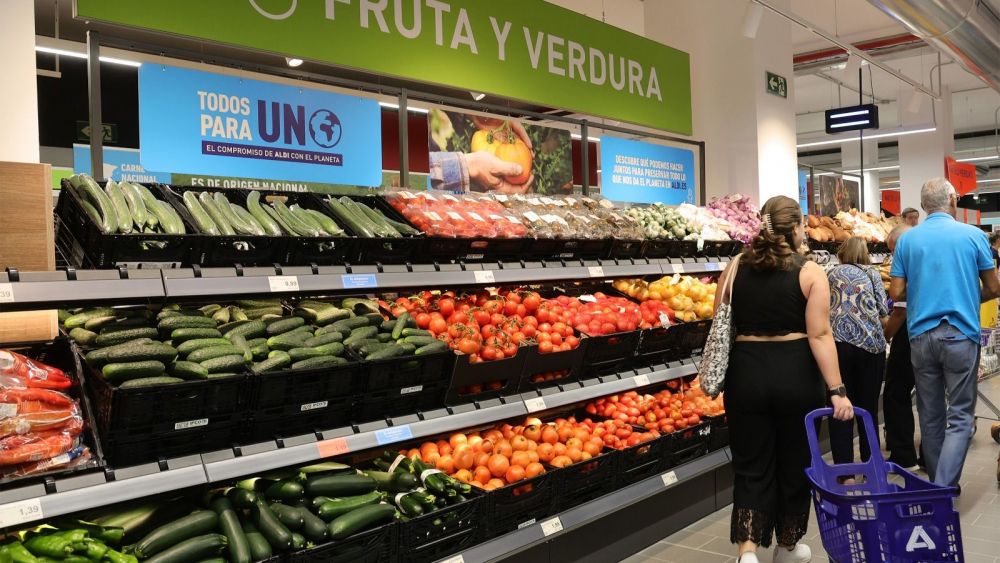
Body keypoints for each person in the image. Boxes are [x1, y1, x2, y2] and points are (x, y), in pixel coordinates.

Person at [718, 195, 854, 563]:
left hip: (745, 374)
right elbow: (820, 335)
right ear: (795, 228)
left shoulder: (733, 268)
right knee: (794, 461)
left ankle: (747, 552)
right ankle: (787, 546)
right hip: (794, 374)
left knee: (751, 462)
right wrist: (838, 391)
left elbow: (720, 323)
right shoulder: (810, 272)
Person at [889, 178, 1000, 488]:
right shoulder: (974, 236)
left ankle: (939, 484)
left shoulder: (908, 241)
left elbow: (896, 290)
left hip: (921, 336)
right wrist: (964, 296)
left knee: (930, 413)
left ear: (924, 206)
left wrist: (926, 292)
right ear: (952, 200)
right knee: (962, 415)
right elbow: (994, 287)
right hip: (961, 334)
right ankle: (943, 488)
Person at [827, 237, 889, 467]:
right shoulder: (872, 274)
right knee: (868, 407)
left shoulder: (831, 274)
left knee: (840, 406)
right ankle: (870, 460)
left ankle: (844, 469)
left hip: (838, 347)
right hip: (869, 346)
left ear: (842, 253)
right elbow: (883, 310)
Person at [882, 224, 921, 470]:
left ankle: (903, 454)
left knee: (896, 393)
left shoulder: (907, 259)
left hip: (909, 333)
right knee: (931, 397)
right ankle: (931, 457)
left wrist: (886, 334)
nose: (893, 256)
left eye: (893, 249)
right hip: (938, 330)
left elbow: (900, 307)